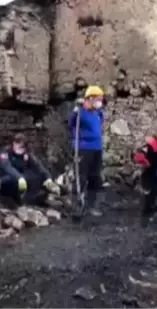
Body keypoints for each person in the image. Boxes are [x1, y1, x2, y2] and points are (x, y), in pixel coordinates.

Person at [0, 133, 59, 207]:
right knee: (20, 178)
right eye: (20, 147)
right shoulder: (5, 152)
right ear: (14, 143)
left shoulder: (26, 153)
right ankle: (17, 199)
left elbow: (38, 165)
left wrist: (48, 178)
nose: (22, 150)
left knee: (37, 176)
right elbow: (7, 167)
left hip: (21, 178)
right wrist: (20, 177)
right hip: (4, 179)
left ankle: (32, 199)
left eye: (23, 148)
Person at [69, 85, 105, 217]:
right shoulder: (79, 112)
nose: (100, 101)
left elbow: (100, 124)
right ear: (90, 98)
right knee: (81, 177)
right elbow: (71, 124)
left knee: (95, 177)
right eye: (98, 99)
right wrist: (75, 111)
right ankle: (76, 206)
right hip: (83, 148)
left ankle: (91, 206)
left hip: (97, 148)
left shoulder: (98, 112)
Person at [134, 134, 157, 227]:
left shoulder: (150, 147)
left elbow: (148, 163)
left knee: (149, 194)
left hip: (150, 174)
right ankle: (153, 208)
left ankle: (149, 211)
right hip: (156, 174)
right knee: (153, 193)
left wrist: (141, 158)